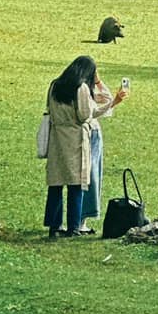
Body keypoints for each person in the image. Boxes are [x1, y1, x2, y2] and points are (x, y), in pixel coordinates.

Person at [43, 57, 124, 239]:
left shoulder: (55, 85)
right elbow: (86, 115)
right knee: (76, 183)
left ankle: (54, 225)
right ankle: (74, 226)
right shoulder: (81, 88)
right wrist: (113, 103)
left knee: (56, 183)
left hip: (57, 138)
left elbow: (49, 107)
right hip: (75, 139)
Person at [78, 67, 124, 234]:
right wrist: (98, 83)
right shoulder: (83, 92)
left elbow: (105, 99)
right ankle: (80, 221)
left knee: (89, 177)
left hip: (88, 136)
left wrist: (97, 83)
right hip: (89, 135)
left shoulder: (80, 90)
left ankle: (79, 220)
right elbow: (101, 106)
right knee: (89, 177)